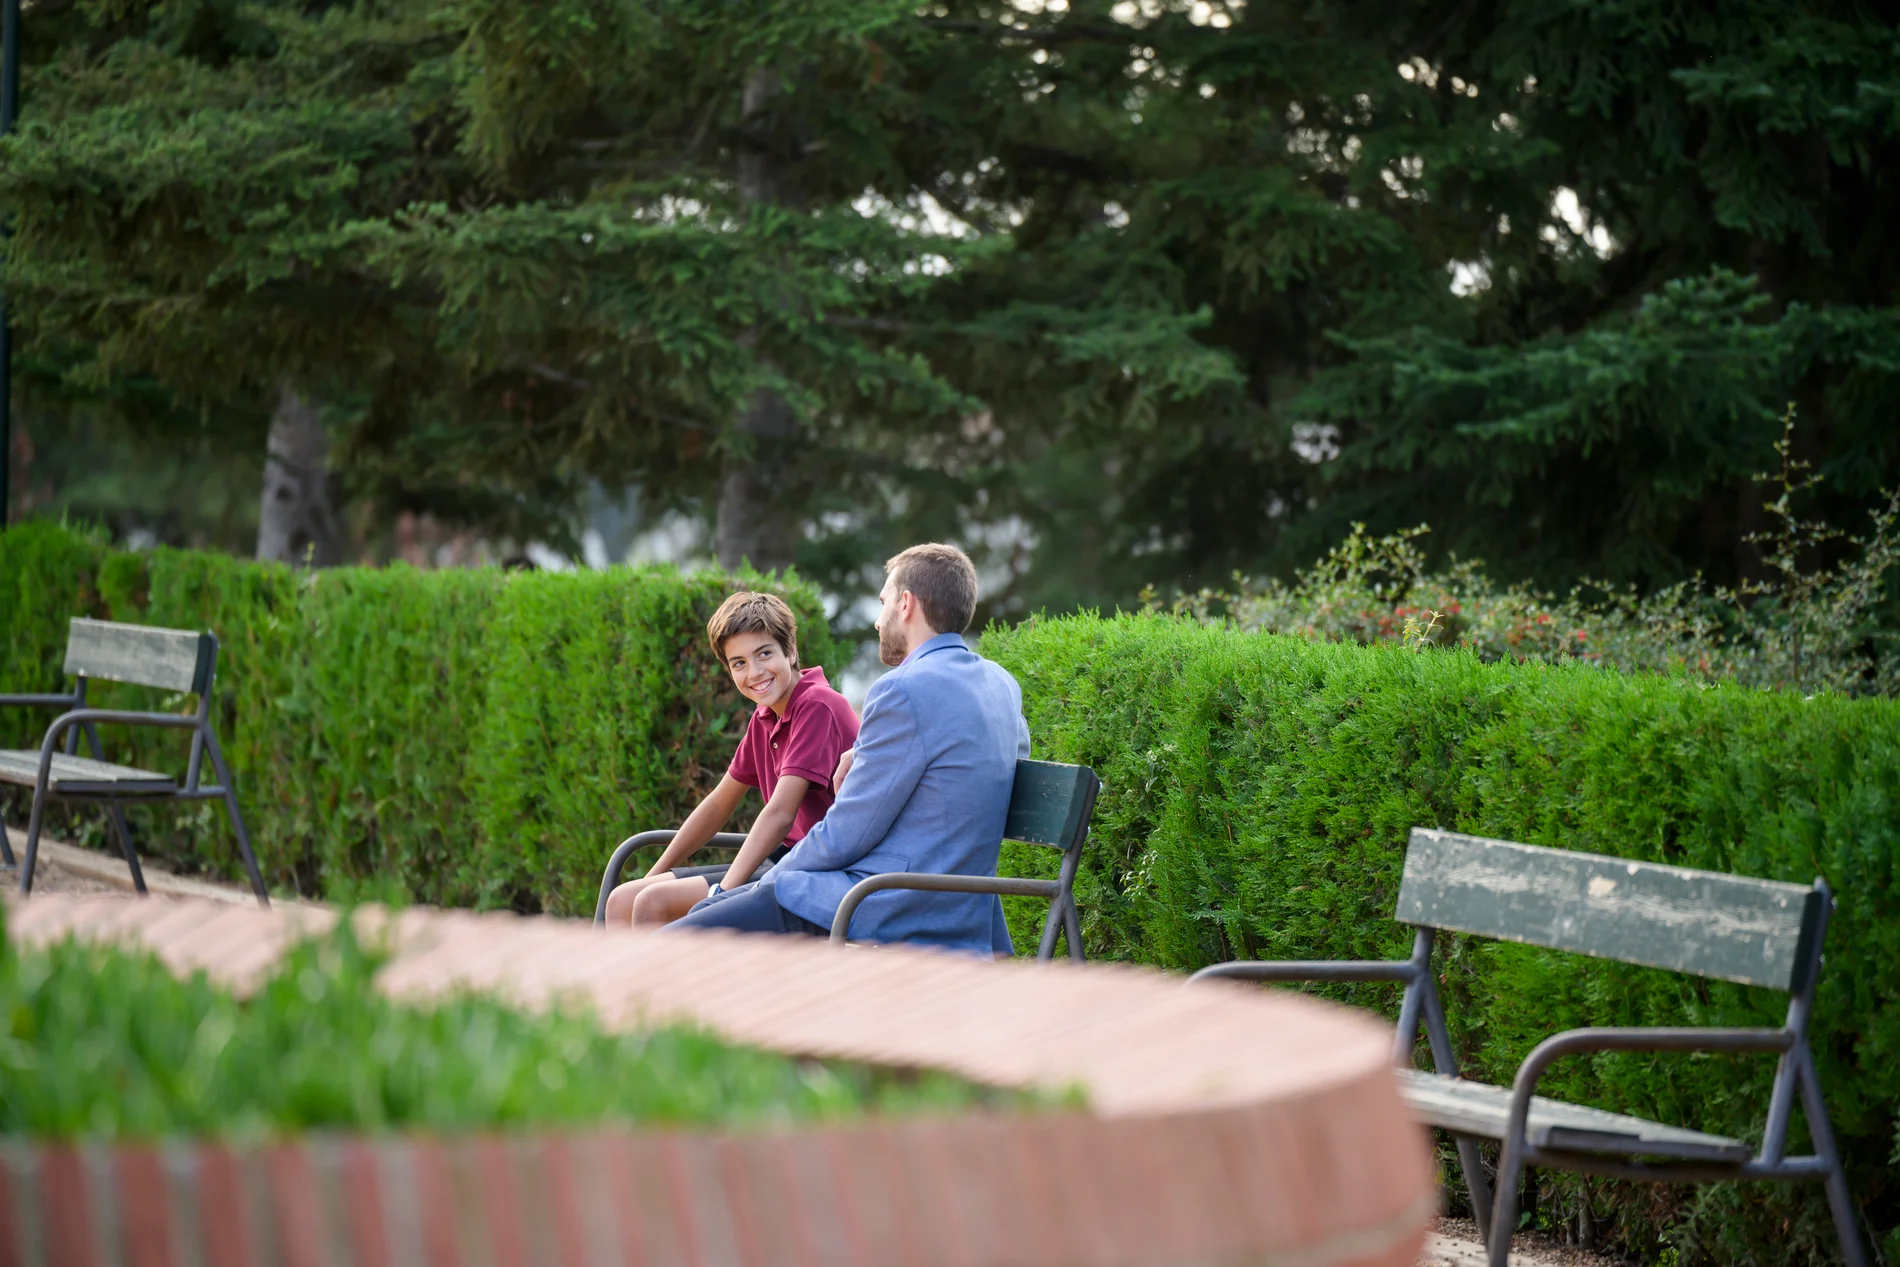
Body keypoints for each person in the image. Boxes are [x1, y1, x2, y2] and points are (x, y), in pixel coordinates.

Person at [666, 543, 1028, 955]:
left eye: (883, 602)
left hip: (893, 899)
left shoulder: (901, 690)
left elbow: (847, 833)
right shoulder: (1001, 684)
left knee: (676, 942)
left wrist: (770, 879)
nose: (877, 621)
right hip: (969, 903)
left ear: (906, 604)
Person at [601, 591, 859, 929]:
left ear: (791, 650)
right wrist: (657, 871)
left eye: (764, 654)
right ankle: (625, 984)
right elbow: (719, 804)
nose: (754, 672)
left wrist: (724, 890)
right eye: (739, 663)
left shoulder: (817, 705)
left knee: (653, 903)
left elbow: (780, 814)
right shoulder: (765, 716)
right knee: (626, 897)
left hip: (821, 870)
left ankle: (657, 983)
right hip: (784, 860)